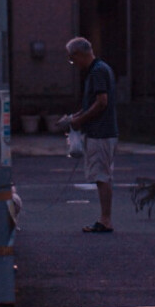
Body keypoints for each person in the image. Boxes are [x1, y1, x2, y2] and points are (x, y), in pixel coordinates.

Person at [58, 37, 118, 234]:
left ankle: (105, 220)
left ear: (79, 54)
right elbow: (94, 102)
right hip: (102, 130)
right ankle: (105, 218)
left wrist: (79, 120)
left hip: (100, 132)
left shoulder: (97, 71)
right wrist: (75, 116)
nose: (73, 63)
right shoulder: (100, 68)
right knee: (102, 175)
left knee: (102, 176)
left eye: (72, 59)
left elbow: (101, 102)